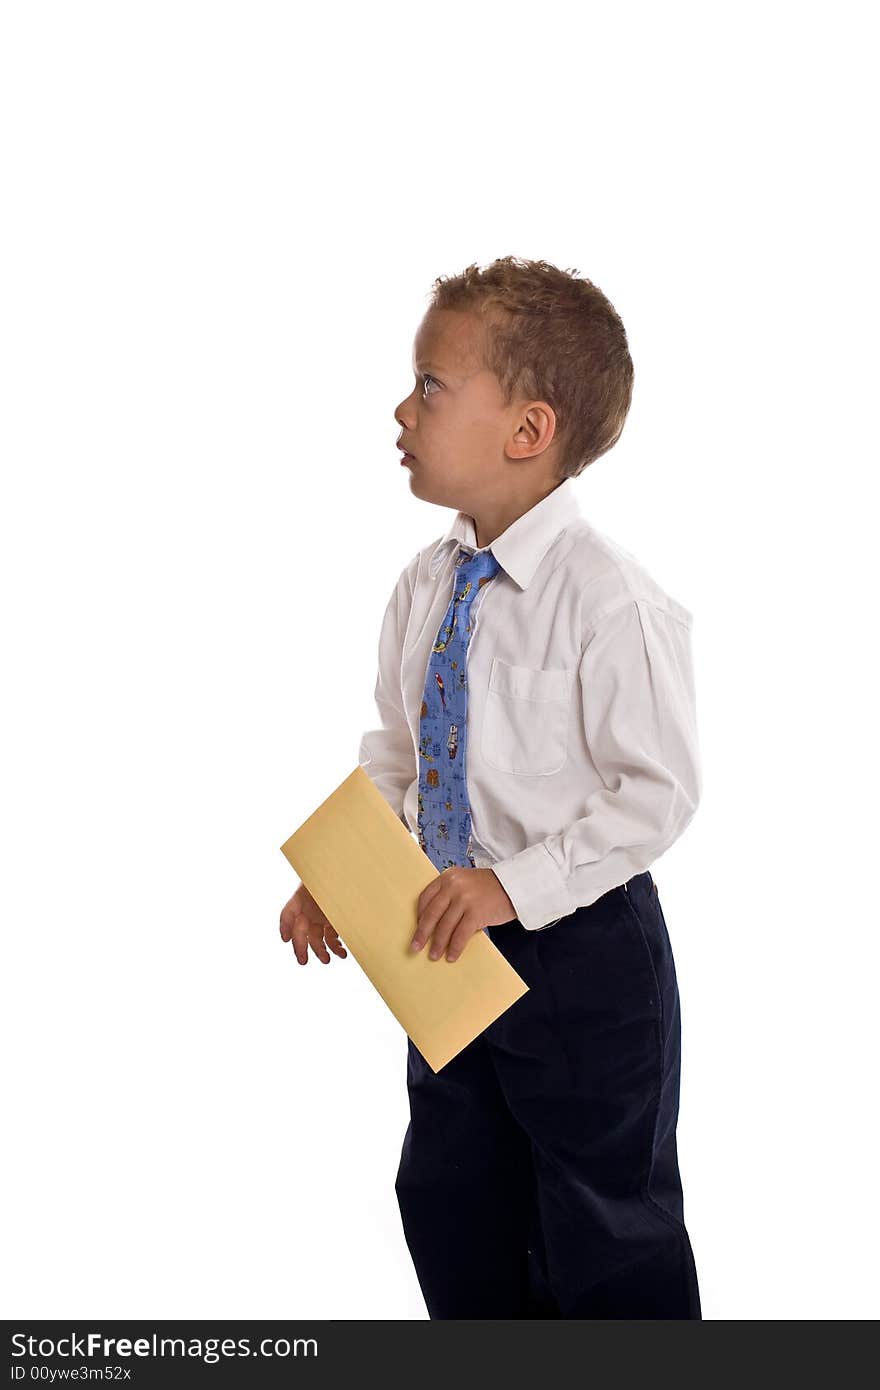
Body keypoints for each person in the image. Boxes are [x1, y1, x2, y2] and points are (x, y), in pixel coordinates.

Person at [279, 256, 703, 1319]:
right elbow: (402, 748)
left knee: (601, 1223)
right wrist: (340, 870)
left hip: (582, 957)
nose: (401, 408)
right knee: (452, 1192)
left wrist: (514, 886)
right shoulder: (426, 584)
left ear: (528, 429)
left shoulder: (609, 603)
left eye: (430, 386)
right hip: (444, 945)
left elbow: (655, 795)